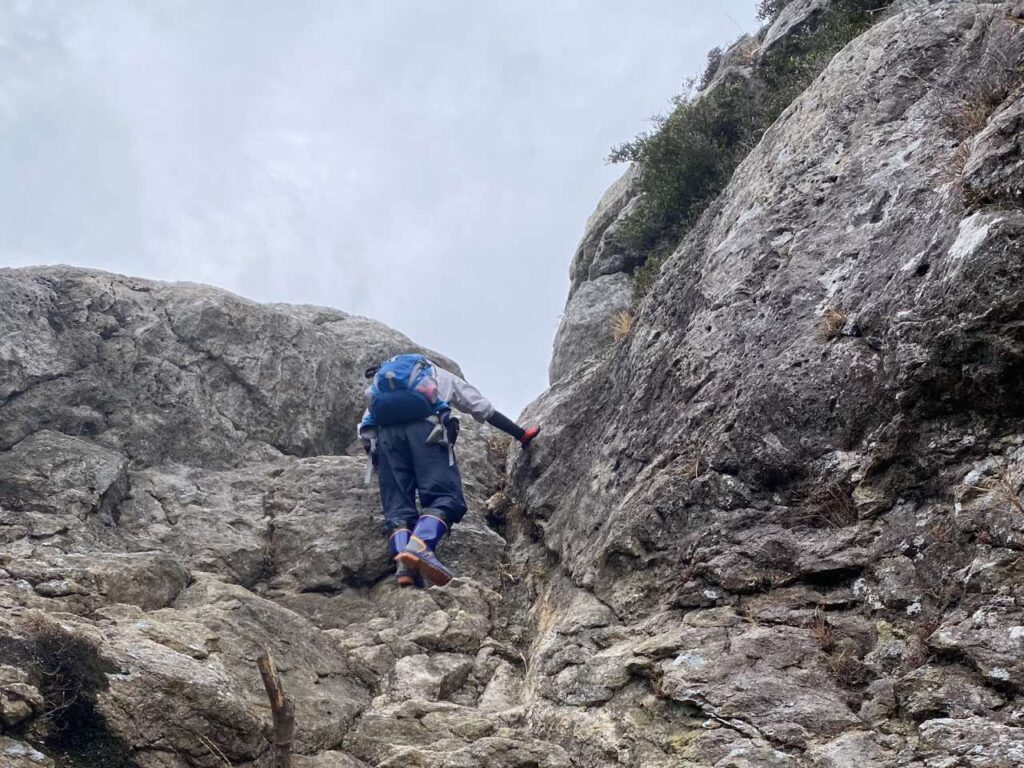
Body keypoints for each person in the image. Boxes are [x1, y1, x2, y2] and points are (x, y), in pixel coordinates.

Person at [359, 353, 539, 587]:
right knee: (444, 497)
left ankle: (404, 568)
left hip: (385, 440)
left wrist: (379, 459)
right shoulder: (435, 374)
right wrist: (520, 434)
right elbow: (480, 407)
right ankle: (420, 546)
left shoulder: (382, 386)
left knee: (398, 509)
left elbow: (366, 425)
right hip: (427, 433)